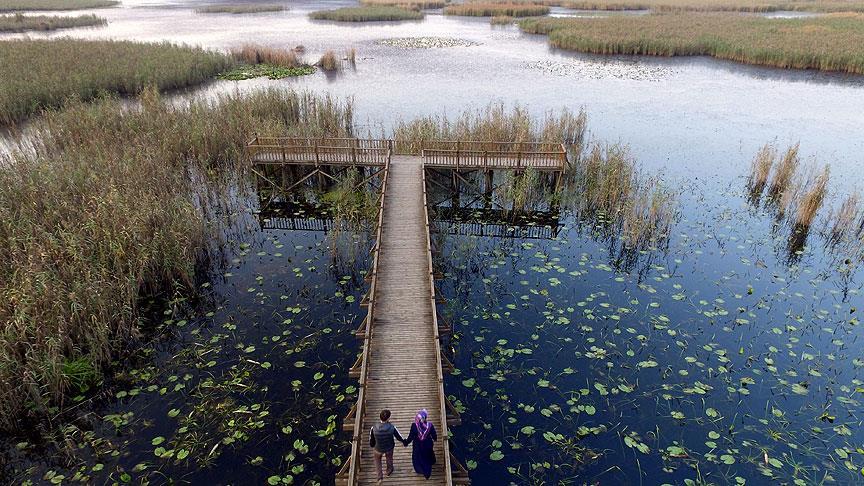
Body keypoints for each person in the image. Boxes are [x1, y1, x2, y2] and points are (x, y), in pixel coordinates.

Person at [369, 409, 405, 483]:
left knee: (377, 461)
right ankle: (389, 471)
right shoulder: (392, 427)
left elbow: (371, 439)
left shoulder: (374, 428)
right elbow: (399, 437)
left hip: (378, 448)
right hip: (389, 448)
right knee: (389, 459)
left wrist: (372, 445)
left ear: (380, 417)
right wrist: (404, 442)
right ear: (388, 418)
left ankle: (380, 477)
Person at [402, 409, 437, 479]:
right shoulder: (430, 425)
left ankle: (419, 469)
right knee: (427, 457)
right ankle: (427, 473)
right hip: (428, 444)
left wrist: (406, 442)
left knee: (417, 457)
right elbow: (434, 434)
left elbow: (411, 437)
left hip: (418, 445)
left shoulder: (414, 426)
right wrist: (435, 439)